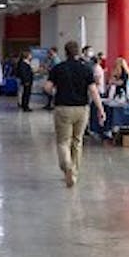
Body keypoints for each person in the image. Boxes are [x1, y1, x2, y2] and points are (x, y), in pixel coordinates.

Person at [44, 41, 106, 188]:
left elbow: (47, 87)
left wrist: (55, 93)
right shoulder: (86, 69)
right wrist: (101, 109)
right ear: (78, 52)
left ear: (65, 52)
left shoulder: (58, 68)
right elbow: (93, 90)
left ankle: (67, 167)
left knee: (63, 142)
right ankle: (75, 172)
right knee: (77, 141)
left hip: (63, 108)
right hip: (82, 109)